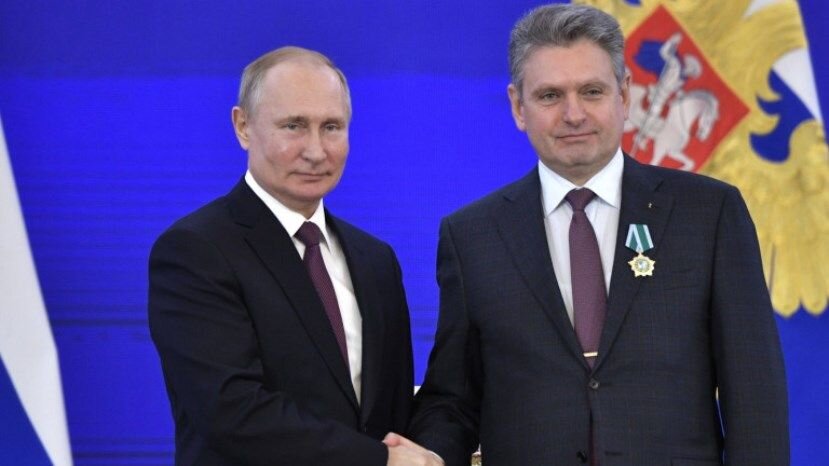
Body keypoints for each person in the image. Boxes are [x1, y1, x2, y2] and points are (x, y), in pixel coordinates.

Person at [409, 4, 788, 466]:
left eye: (591, 91)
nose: (574, 114)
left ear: (624, 95)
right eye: (550, 96)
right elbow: (454, 399)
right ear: (518, 107)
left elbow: (754, 395)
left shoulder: (709, 214)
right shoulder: (472, 236)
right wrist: (425, 455)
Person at [149, 46, 439, 465]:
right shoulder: (195, 251)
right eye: (293, 126)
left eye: (332, 127)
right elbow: (232, 412)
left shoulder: (375, 260)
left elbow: (391, 410)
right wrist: (380, 461)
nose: (316, 151)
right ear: (243, 126)